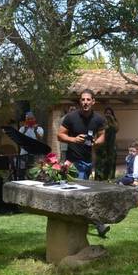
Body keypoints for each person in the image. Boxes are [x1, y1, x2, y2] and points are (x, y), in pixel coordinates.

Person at [58, 90, 110, 237]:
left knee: (80, 195)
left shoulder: (98, 119)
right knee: (82, 195)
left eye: (88, 99)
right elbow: (59, 135)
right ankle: (98, 224)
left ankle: (77, 223)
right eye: (83, 99)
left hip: (87, 163)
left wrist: (95, 143)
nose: (85, 102)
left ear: (93, 101)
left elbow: (102, 137)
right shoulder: (71, 117)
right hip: (73, 163)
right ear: (80, 102)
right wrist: (73, 139)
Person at [95, 107, 119, 181]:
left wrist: (111, 120)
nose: (108, 115)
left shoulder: (115, 121)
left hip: (111, 147)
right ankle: (99, 178)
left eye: (110, 113)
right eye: (107, 113)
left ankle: (110, 178)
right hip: (102, 148)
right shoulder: (101, 122)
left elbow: (116, 129)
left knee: (110, 164)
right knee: (100, 164)